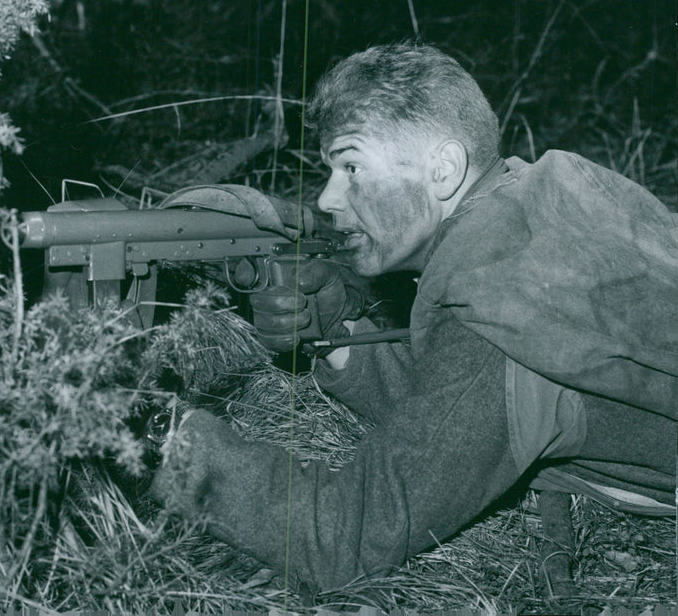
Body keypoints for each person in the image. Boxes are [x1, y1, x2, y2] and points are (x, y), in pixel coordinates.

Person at [148, 43, 677, 594]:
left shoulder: (492, 310)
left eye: (352, 167)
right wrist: (341, 338)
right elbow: (470, 407)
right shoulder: (535, 195)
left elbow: (339, 537)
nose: (327, 198)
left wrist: (153, 435)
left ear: (443, 168)